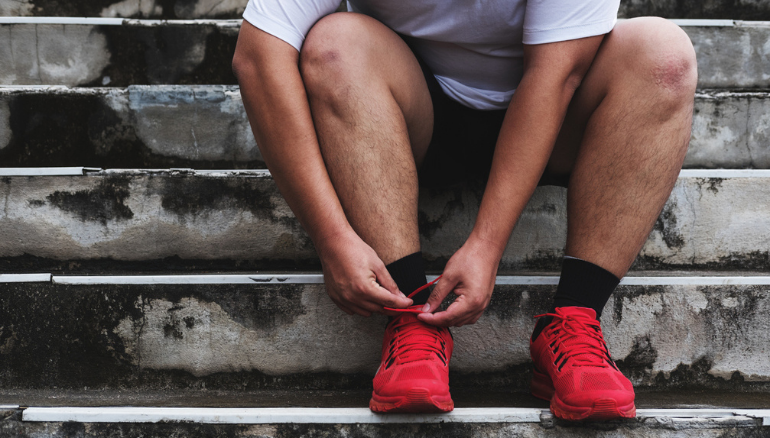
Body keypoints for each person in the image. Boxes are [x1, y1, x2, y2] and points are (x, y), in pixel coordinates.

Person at [231, 0, 697, 420]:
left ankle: (575, 322)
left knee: (663, 53)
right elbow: (258, 56)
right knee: (335, 43)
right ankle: (412, 316)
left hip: (552, 119)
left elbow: (556, 76)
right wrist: (331, 236)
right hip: (411, 112)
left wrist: (487, 244)